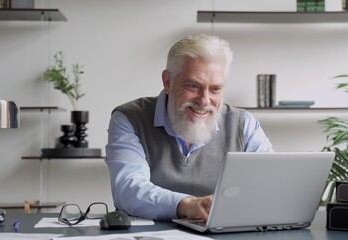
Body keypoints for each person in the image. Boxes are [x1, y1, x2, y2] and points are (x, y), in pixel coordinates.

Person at [105, 33, 273, 221]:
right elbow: (128, 189)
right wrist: (188, 205)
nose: (204, 101)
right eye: (193, 86)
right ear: (167, 81)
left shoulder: (244, 124)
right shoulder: (130, 118)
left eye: (215, 89)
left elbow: (271, 183)